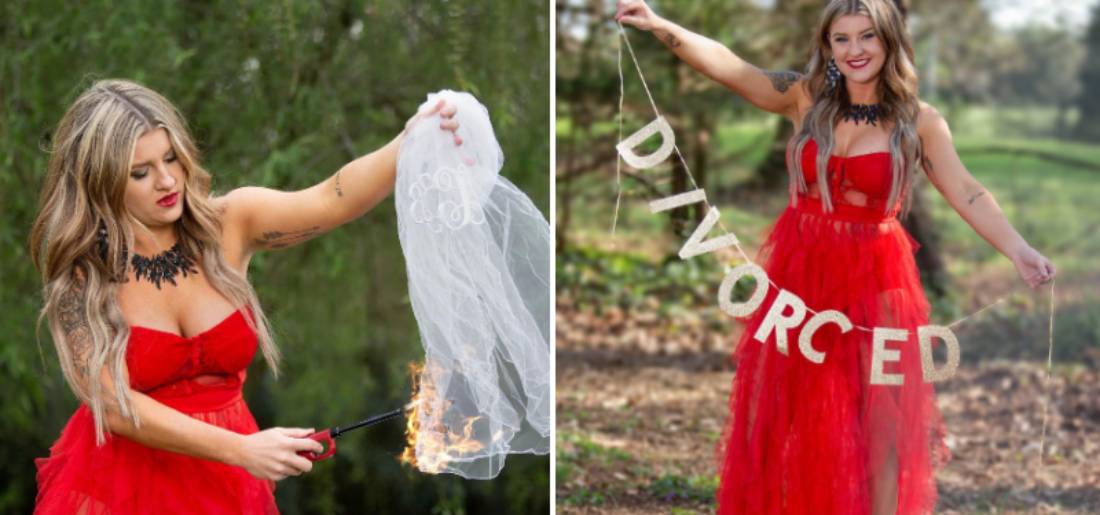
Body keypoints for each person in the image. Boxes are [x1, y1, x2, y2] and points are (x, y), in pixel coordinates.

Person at [614, 0, 1056, 513]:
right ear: (827, 46)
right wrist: (660, 25)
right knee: (792, 410)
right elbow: (734, 68)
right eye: (840, 39)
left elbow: (967, 190)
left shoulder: (919, 121)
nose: (854, 50)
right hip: (799, 272)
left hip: (877, 274)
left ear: (889, 40)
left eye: (866, 36)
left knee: (881, 420)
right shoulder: (805, 98)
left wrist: (1019, 250)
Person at [30, 79, 462, 514]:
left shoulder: (230, 224)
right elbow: (114, 407)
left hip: (229, 486)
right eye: (140, 173)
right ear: (101, 183)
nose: (166, 180)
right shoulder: (84, 277)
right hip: (120, 488)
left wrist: (410, 141)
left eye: (171, 158)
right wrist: (241, 450)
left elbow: (332, 199)